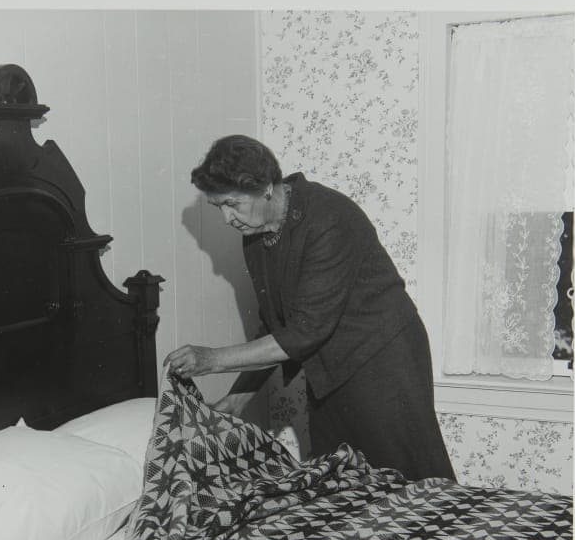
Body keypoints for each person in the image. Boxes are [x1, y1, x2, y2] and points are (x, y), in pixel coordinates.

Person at [165, 135, 455, 481]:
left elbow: (304, 332)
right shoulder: (256, 234)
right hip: (327, 368)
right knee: (339, 480)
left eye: (232, 204)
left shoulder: (329, 218)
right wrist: (240, 396)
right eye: (219, 208)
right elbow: (276, 323)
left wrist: (211, 360)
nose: (227, 218)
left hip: (383, 361)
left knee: (412, 476)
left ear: (266, 188)